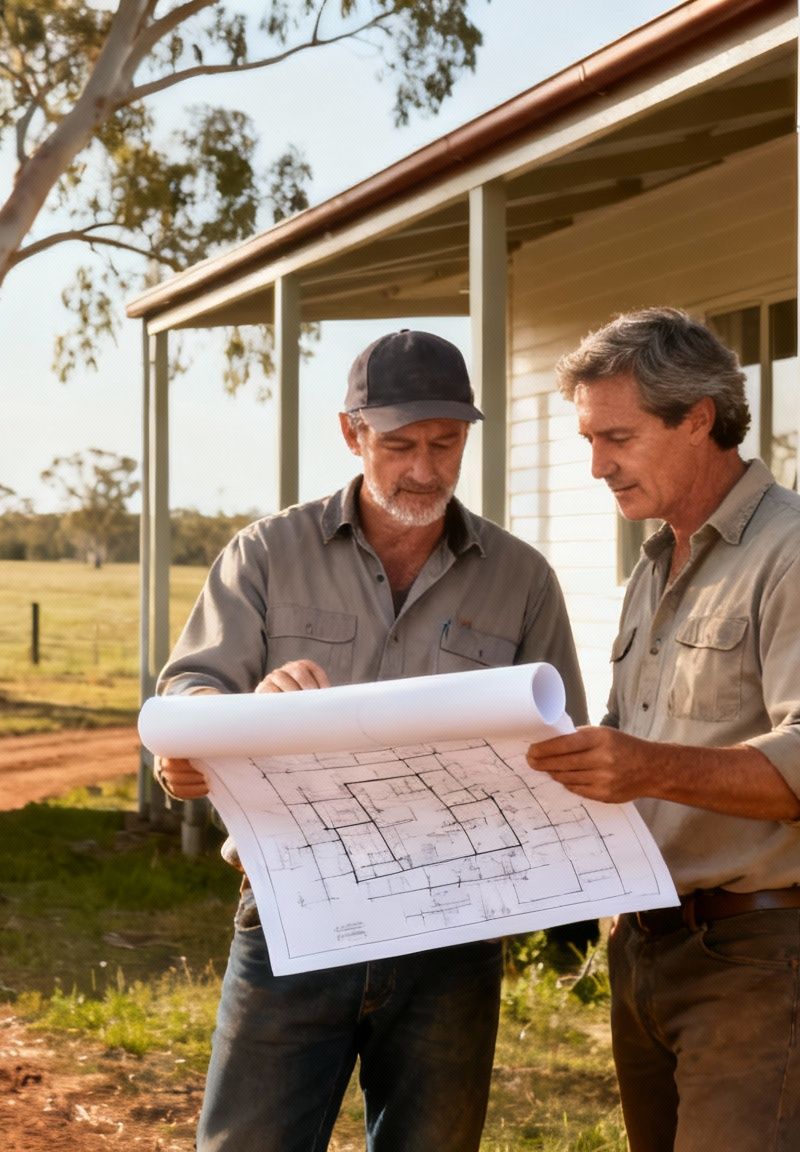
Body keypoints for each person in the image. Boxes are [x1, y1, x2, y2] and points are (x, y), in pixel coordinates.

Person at [154, 329, 587, 1152]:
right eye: (399, 445)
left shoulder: (524, 581)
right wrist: (246, 710)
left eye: (445, 443)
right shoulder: (267, 554)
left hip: (453, 933)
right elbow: (187, 693)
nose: (424, 469)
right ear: (351, 434)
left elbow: (559, 747)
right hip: (291, 911)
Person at [526, 308, 800, 1152]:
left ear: (697, 419)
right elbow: (630, 749)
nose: (596, 466)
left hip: (763, 955)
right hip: (649, 945)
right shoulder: (655, 565)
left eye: (615, 437)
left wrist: (641, 766)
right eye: (588, 440)